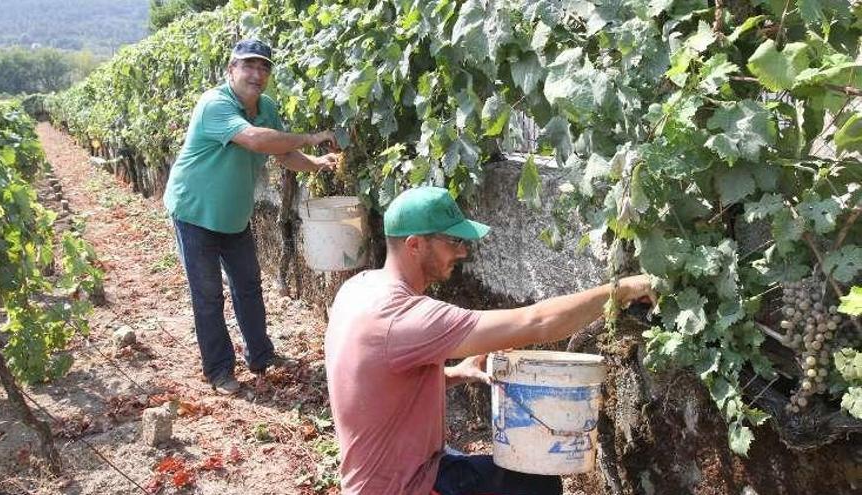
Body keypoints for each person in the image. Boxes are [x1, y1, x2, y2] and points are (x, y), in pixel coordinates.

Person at [325, 186, 654, 495]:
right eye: (453, 241)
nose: (463, 251)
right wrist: (622, 290)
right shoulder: (404, 316)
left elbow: (376, 382)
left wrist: (456, 374)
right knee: (536, 487)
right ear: (414, 246)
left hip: (378, 478)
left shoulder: (361, 288)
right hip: (407, 486)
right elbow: (538, 322)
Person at [164, 39, 340, 395]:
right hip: (194, 213)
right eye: (249, 66)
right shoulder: (215, 104)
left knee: (248, 286)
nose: (256, 74)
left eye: (264, 68)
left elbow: (282, 151)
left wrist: (314, 164)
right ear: (231, 70)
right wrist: (311, 137)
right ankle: (219, 371)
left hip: (233, 217)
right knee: (208, 294)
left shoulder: (266, 107)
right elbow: (258, 141)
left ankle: (260, 355)